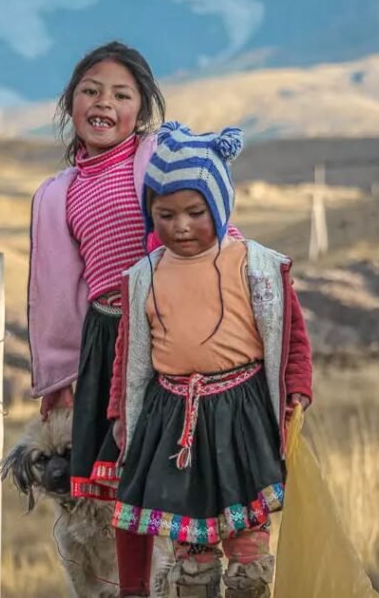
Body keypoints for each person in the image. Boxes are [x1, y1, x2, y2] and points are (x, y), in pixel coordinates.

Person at [101, 121, 314, 598]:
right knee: (189, 552)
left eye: (195, 212)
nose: (180, 226)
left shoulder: (253, 264)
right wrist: (120, 410)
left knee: (248, 546)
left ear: (218, 206)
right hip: (173, 421)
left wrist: (297, 386)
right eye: (165, 214)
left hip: (241, 416)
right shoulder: (143, 277)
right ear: (149, 215)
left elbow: (292, 334)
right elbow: (128, 354)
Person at [26, 41, 166, 597]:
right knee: (115, 493)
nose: (103, 101)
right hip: (105, 347)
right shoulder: (58, 195)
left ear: (141, 111)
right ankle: (130, 588)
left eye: (121, 93)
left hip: (167, 335)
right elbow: (60, 296)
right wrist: (61, 382)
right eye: (90, 90)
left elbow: (206, 221)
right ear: (71, 103)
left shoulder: (160, 161)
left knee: (171, 476)